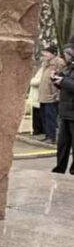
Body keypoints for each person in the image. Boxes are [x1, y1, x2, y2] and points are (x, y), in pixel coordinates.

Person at [52, 44, 74, 173]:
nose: (65, 57)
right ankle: (59, 169)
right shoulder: (70, 67)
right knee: (62, 145)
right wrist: (56, 80)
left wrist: (63, 81)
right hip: (65, 111)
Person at [37, 44, 65, 144]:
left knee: (50, 117)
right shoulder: (45, 63)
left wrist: (56, 94)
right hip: (43, 95)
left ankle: (51, 137)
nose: (45, 54)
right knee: (44, 116)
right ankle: (47, 135)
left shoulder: (59, 63)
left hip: (51, 96)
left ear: (53, 53)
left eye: (47, 52)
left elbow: (60, 79)